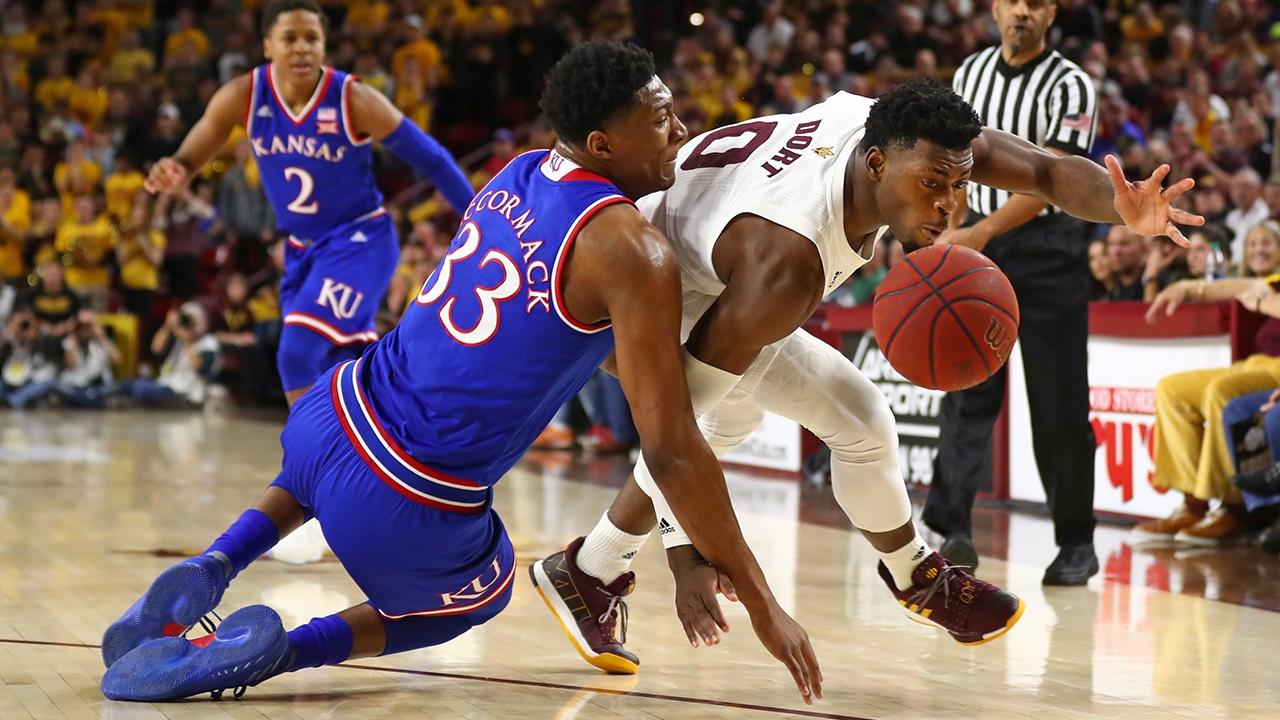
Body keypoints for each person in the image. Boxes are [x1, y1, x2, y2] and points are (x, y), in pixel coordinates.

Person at [100, 40, 824, 705]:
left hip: (331, 412)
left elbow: (547, 333)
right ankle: (278, 652)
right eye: (661, 119)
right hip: (402, 490)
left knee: (319, 469)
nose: (680, 131)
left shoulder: (518, 170)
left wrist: (643, 360)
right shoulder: (633, 251)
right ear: (603, 144)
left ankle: (218, 562)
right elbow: (670, 450)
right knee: (484, 592)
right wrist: (763, 602)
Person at [530, 77, 1200, 673]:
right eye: (932, 186)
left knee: (862, 421)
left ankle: (914, 577)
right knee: (729, 414)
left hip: (700, 262)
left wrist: (1122, 207)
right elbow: (676, 432)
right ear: (876, 163)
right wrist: (688, 554)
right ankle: (591, 569)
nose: (949, 206)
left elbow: (1048, 171)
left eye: (959, 185)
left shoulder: (903, 132)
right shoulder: (789, 261)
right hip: (629, 297)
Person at [142, 0, 473, 407]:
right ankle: (401, 428)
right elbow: (202, 139)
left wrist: (478, 217)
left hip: (358, 241)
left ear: (324, 46)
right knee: (340, 365)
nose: (302, 47)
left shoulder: (352, 98)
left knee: (296, 353)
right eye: (290, 38)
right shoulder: (245, 95)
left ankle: (305, 447)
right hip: (303, 249)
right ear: (268, 46)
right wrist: (178, 166)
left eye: (311, 38)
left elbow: (432, 159)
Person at [925, 0, 1103, 585]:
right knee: (965, 389)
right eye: (1013, 1)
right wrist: (953, 228)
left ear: (1051, 13)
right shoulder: (969, 72)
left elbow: (1056, 178)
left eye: (1036, 3)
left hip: (1048, 247)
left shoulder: (1072, 85)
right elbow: (956, 164)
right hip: (978, 239)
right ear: (996, 8)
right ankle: (951, 528)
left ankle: (1076, 541)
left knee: (1058, 403)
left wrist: (980, 233)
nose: (1022, 11)